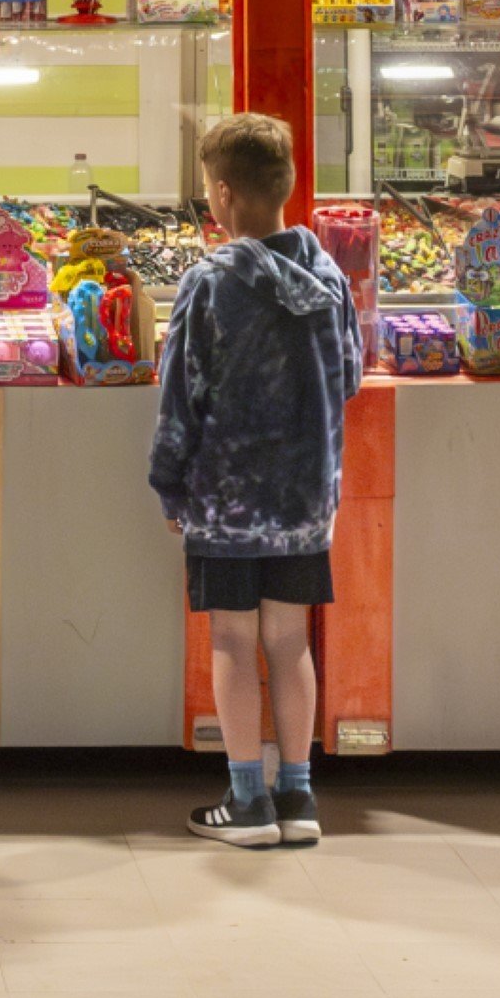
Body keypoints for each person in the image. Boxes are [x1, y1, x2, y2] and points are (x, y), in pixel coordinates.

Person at [147, 113, 361, 850]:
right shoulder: (329, 277)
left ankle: (246, 804)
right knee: (289, 640)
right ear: (288, 184)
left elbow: (180, 397)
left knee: (234, 642)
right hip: (305, 498)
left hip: (226, 499)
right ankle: (297, 797)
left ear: (223, 193)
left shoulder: (210, 282)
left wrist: (169, 484)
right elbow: (349, 376)